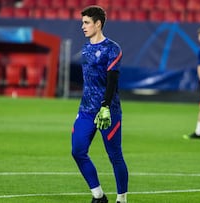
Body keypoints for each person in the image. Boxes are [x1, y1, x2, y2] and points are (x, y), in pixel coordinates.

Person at [71, 6, 128, 203]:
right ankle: (98, 196)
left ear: (98, 24)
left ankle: (122, 199)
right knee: (77, 151)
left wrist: (105, 106)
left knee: (115, 155)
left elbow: (112, 81)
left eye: (86, 23)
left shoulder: (113, 49)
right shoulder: (86, 49)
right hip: (86, 110)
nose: (83, 27)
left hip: (108, 111)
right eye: (82, 22)